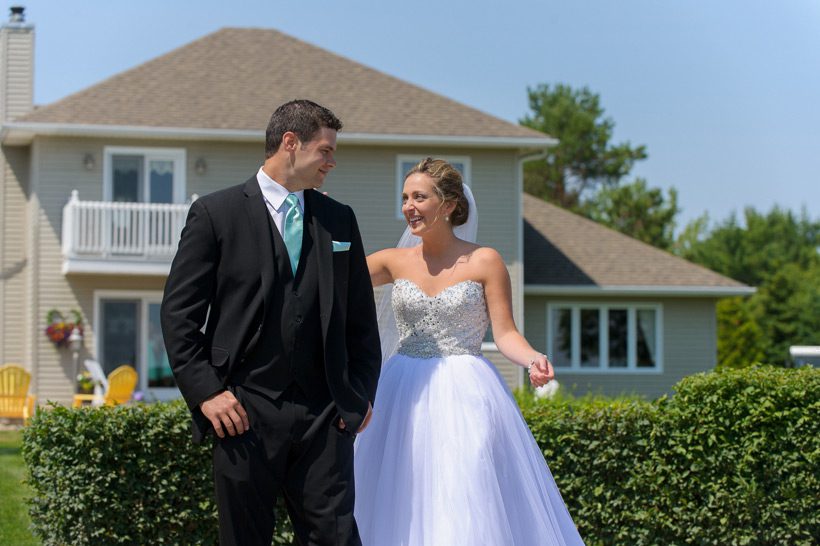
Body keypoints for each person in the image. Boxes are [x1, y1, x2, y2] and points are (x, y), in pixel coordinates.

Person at [160, 100, 381, 546]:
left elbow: (361, 321)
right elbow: (178, 314)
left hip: (324, 417)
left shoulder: (340, 220)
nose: (332, 162)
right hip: (242, 413)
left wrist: (355, 397)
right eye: (325, 150)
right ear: (290, 143)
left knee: (336, 538)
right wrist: (207, 393)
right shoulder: (215, 214)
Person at [353, 158, 585, 545]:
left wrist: (532, 358)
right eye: (405, 197)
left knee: (464, 489)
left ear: (448, 205)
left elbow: (507, 332)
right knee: (397, 489)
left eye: (420, 197)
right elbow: (329, 277)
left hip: (464, 390)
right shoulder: (392, 261)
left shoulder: (485, 261)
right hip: (401, 390)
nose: (409, 206)